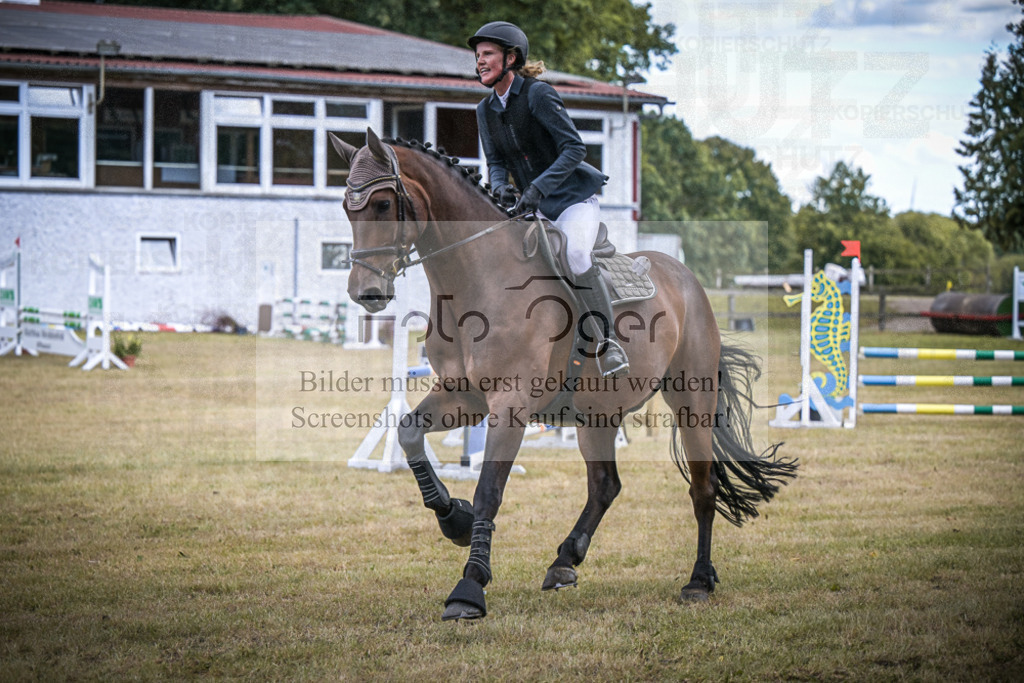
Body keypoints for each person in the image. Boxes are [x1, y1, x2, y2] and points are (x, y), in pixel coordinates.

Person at [469, 21, 629, 379]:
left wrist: (538, 187)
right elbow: (495, 162)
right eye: (477, 56)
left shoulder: (538, 95)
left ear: (511, 58)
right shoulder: (484, 110)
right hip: (530, 206)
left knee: (575, 254)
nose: (480, 61)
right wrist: (499, 188)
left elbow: (574, 148)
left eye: (488, 54)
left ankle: (609, 342)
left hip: (571, 201)